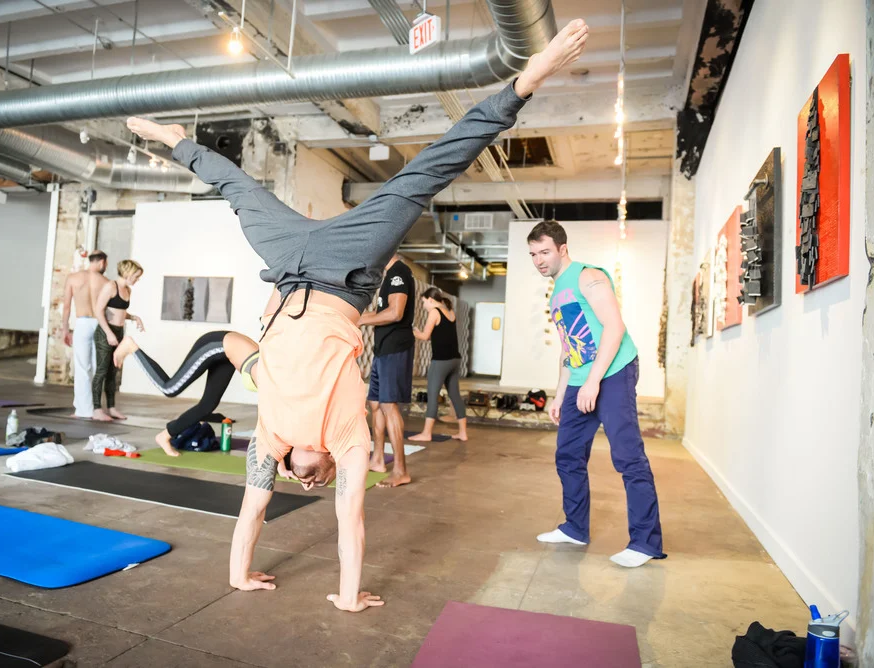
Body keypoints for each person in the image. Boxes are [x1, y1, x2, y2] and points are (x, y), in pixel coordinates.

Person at [127, 18, 589, 612]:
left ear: (287, 462)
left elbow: (252, 506)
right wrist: (348, 597)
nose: (306, 481)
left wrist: (239, 572)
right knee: (426, 174)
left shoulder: (270, 432)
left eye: (298, 477)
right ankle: (529, 80)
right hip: (346, 269)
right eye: (308, 480)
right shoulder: (343, 438)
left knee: (238, 191)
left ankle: (176, 140)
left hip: (291, 261)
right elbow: (351, 520)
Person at [527, 220, 665, 568]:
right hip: (581, 378)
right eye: (533, 254)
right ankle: (575, 528)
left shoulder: (588, 277)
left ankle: (646, 543)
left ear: (562, 249)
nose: (539, 260)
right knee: (568, 454)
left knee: (628, 458)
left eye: (544, 252)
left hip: (614, 372)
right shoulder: (556, 292)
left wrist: (594, 382)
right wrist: (560, 394)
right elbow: (568, 348)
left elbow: (615, 328)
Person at [113, 330, 260, 458]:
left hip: (227, 354)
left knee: (208, 405)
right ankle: (131, 346)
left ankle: (164, 436)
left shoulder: (273, 383)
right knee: (170, 389)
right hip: (216, 344)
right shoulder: (267, 378)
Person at [357, 254, 414, 488]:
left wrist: (362, 320)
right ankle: (378, 459)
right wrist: (356, 318)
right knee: (376, 404)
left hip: (396, 348)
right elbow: (383, 312)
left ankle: (401, 470)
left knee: (389, 406)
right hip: (383, 348)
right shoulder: (389, 275)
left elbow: (395, 313)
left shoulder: (399, 272)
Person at [408, 287, 468, 442]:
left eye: (423, 302)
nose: (423, 306)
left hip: (441, 361)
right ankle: (462, 433)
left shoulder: (434, 312)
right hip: (455, 360)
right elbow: (435, 336)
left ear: (430, 299)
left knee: (433, 396)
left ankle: (426, 433)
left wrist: (411, 331)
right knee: (455, 395)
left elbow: (424, 336)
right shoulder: (450, 312)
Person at [92, 259, 144, 422]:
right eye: (136, 276)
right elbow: (98, 311)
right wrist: (108, 333)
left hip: (118, 332)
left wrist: (133, 317)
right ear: (128, 273)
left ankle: (112, 407)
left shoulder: (127, 289)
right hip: (105, 332)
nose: (137, 279)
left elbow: (119, 311)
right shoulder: (110, 286)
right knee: (101, 371)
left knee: (113, 372)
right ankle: (96, 409)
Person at [62, 250, 109, 418]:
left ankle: (83, 410)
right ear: (102, 262)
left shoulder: (73, 278)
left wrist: (65, 329)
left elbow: (67, 307)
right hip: (99, 322)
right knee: (97, 368)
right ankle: (94, 408)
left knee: (82, 367)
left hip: (82, 323)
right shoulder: (106, 282)